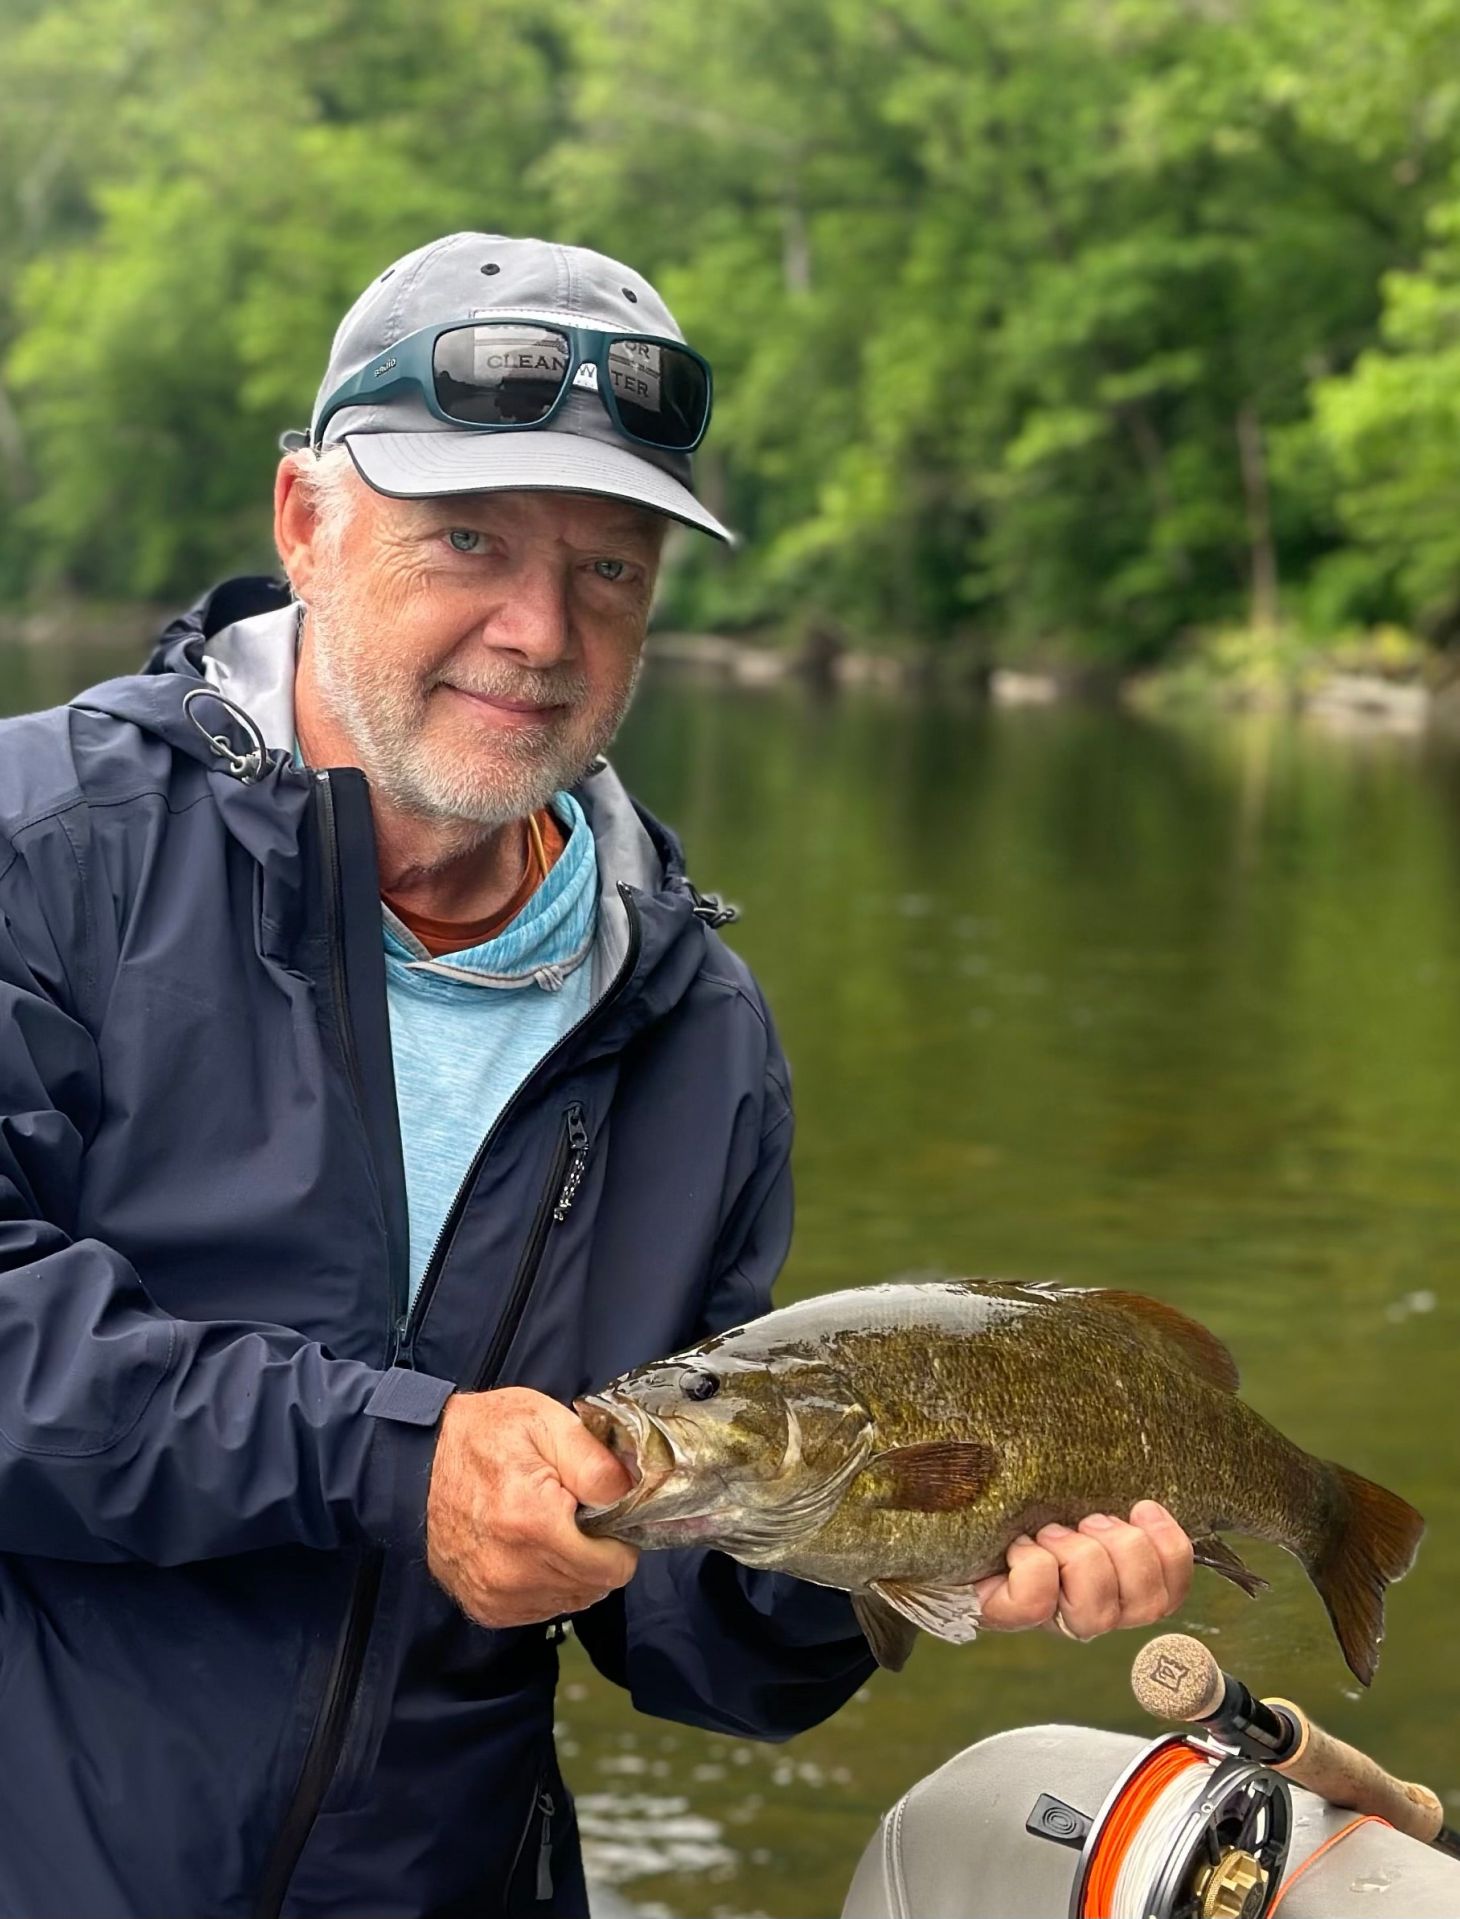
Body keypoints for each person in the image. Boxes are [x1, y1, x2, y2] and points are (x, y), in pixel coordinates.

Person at [0, 233, 1195, 1917]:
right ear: (304, 523)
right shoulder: (40, 850)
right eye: (467, 538)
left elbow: (687, 1638)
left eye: (613, 568)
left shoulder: (697, 1029)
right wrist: (401, 1461)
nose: (538, 629)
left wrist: (904, 1555)